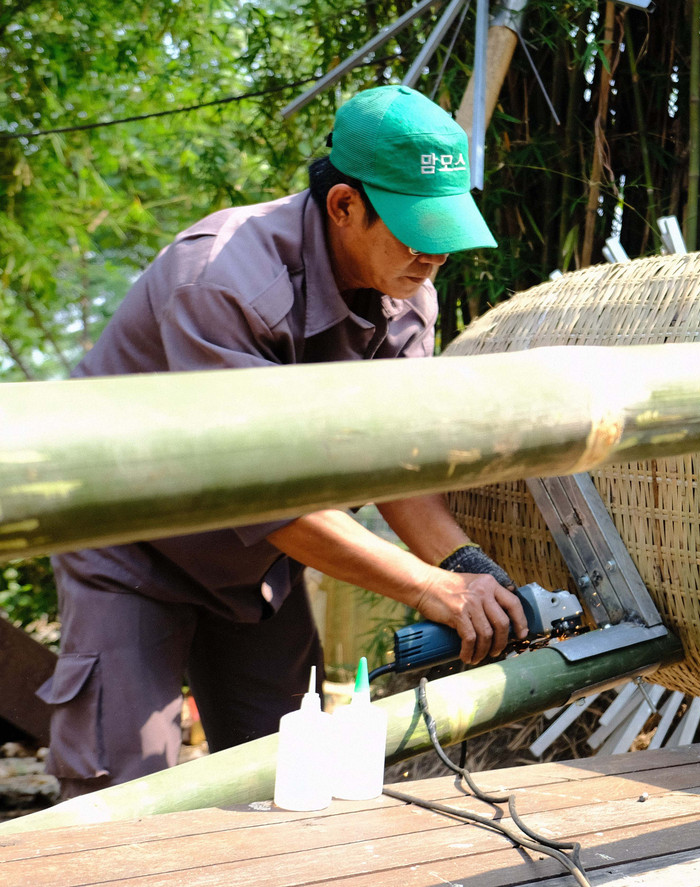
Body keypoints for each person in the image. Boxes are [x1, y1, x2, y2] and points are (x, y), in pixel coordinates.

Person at [37, 85, 527, 799]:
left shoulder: (408, 291)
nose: (434, 255)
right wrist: (430, 587)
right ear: (344, 206)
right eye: (414, 226)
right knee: (127, 792)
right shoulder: (220, 280)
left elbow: (396, 458)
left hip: (253, 563)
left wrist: (468, 567)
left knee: (289, 773)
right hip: (132, 548)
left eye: (446, 231)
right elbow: (260, 493)